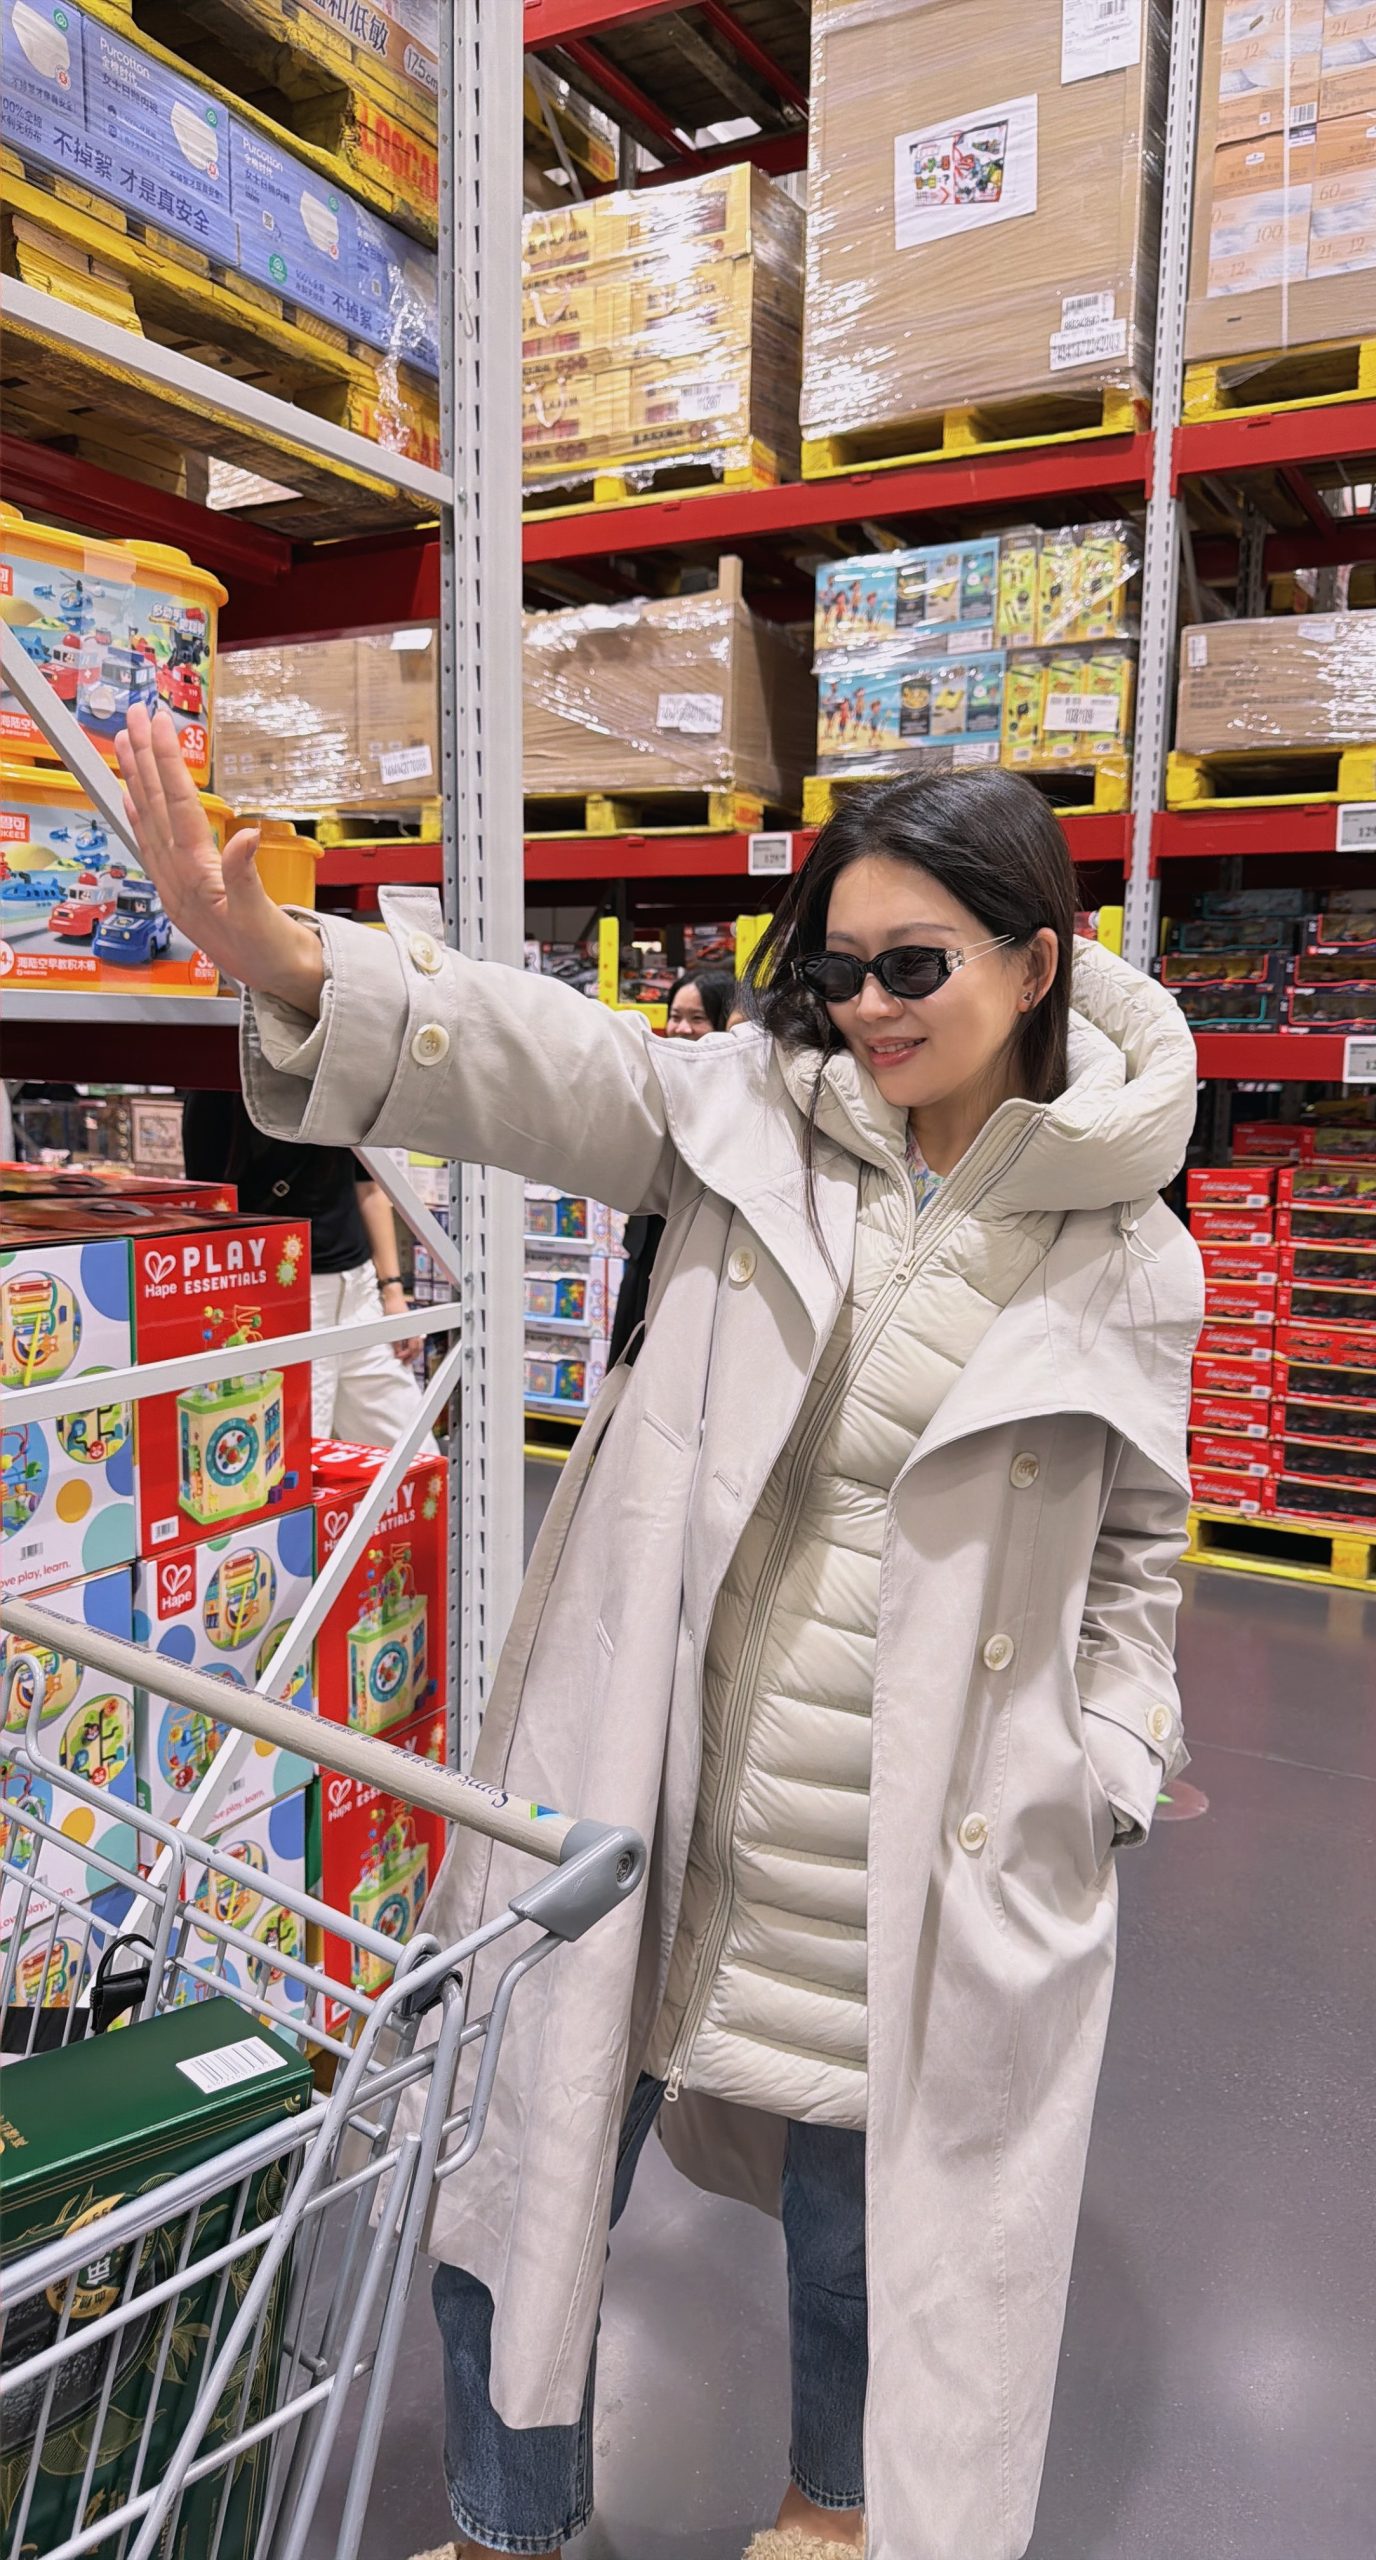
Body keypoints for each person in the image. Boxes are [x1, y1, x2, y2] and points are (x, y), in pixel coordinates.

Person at [116, 705, 1202, 2560]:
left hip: (908, 1855)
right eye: (837, 970)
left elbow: (1137, 1557)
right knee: (517, 2182)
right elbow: (553, 1064)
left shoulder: (1130, 1255)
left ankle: (834, 2518)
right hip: (648, 1796)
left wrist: (1105, 1755)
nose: (868, 1010)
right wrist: (290, 961)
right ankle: (505, 2523)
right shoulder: (746, 1124)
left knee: (871, 2243)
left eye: (916, 966)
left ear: (1038, 965)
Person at [182, 1087, 436, 1453]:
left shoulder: (336, 1082)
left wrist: (393, 1292)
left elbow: (369, 1188)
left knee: (416, 1452)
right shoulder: (217, 1092)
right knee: (297, 1455)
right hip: (285, 1301)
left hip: (360, 1291)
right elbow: (209, 1203)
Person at [608, 966, 738, 1369]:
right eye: (676, 1016)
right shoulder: (659, 1078)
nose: (682, 1028)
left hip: (699, 1256)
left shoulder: (737, 1096)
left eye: (697, 1018)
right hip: (646, 1245)